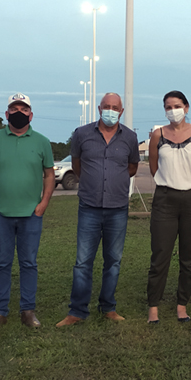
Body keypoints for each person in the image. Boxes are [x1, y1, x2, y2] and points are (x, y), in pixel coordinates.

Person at [57, 93, 140, 327]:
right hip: (89, 207)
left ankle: (108, 307)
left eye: (115, 108)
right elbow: (77, 165)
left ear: (121, 112)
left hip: (117, 208)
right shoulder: (82, 134)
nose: (110, 111)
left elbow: (132, 167)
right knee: (83, 261)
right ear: (98, 108)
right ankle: (77, 311)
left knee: (113, 260)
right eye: (106, 107)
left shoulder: (130, 138)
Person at [0, 93, 55, 330]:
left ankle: (27, 311)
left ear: (31, 114)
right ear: (7, 114)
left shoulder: (41, 141)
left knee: (29, 263)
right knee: (1, 263)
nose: (19, 113)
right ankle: (0, 312)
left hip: (31, 215)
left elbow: (50, 174)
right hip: (0, 215)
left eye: (23, 109)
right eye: (14, 109)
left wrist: (43, 204)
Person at [146, 91, 191, 324]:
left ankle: (182, 305)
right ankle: (153, 307)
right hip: (165, 199)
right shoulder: (158, 135)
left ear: (186, 107)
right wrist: (172, 182)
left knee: (189, 256)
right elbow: (154, 167)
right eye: (168, 107)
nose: (172, 110)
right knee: (160, 254)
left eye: (176, 106)